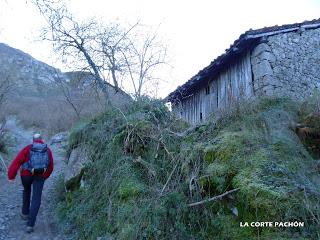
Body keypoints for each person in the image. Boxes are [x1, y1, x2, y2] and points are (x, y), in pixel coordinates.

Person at [7, 133, 54, 233]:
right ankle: (30, 225)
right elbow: (51, 166)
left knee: (26, 190)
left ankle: (25, 213)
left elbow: (17, 162)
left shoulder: (28, 148)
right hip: (40, 176)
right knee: (36, 198)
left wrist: (11, 176)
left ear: (33, 140)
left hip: (26, 175)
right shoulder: (47, 150)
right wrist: (44, 177)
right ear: (42, 140)